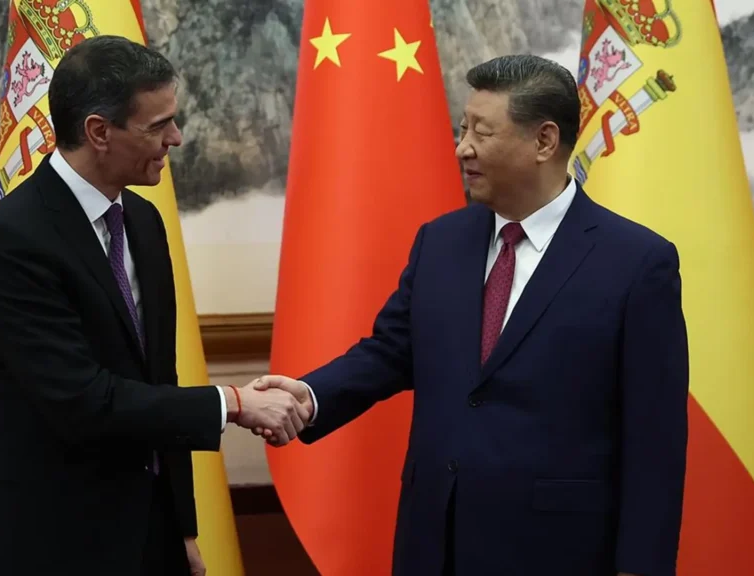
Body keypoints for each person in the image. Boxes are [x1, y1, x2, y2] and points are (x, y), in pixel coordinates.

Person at [255, 54, 689, 576]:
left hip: (558, 551)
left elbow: (655, 440)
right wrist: (312, 394)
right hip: (434, 541)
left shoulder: (637, 262)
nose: (463, 148)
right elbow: (393, 350)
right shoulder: (440, 241)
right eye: (462, 128)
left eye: (481, 132)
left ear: (544, 141)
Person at [0, 36, 309, 576]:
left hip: (151, 534)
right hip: (61, 543)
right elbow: (81, 400)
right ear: (99, 132)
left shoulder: (143, 221)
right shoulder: (10, 240)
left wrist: (183, 528)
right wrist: (234, 402)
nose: (176, 137)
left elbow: (157, 379)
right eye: (157, 125)